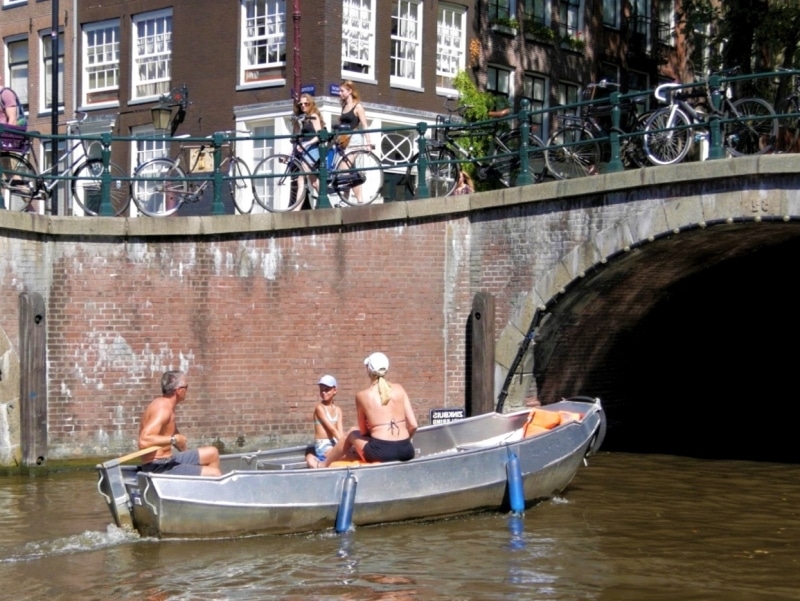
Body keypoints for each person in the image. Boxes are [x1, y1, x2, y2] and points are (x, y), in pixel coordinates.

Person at [311, 352, 418, 468]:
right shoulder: (400, 389)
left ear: (368, 370)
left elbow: (364, 432)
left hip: (381, 452)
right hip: (406, 450)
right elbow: (413, 425)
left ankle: (323, 464)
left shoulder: (362, 396)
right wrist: (400, 444)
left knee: (351, 433)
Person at [138, 370, 222, 476]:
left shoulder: (169, 406)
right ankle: (204, 488)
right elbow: (144, 440)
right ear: (179, 390)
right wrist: (173, 440)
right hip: (157, 466)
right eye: (186, 387)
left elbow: (178, 440)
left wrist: (185, 451)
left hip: (168, 459)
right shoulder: (162, 409)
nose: (187, 390)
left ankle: (199, 485)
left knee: (212, 453)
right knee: (214, 473)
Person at [337, 80, 372, 204]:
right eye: (339, 91)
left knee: (344, 167)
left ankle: (344, 199)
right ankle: (359, 200)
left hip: (355, 138)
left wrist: (368, 142)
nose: (339, 93)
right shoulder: (343, 107)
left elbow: (364, 125)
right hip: (344, 139)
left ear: (350, 91)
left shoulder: (358, 107)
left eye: (342, 91)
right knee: (351, 171)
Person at [304, 374, 345, 468]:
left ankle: (313, 460)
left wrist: (346, 445)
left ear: (335, 390)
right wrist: (344, 445)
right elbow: (332, 430)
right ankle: (317, 463)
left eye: (327, 390)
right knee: (343, 454)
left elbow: (340, 431)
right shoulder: (319, 408)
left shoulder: (338, 410)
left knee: (349, 452)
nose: (323, 392)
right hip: (323, 445)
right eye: (321, 390)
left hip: (334, 442)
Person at [294, 93, 325, 208]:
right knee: (314, 182)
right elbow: (300, 139)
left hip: (314, 149)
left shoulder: (314, 116)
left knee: (301, 178)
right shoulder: (304, 119)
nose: (303, 106)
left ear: (311, 104)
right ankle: (328, 204)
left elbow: (319, 135)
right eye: (301, 104)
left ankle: (296, 210)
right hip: (306, 151)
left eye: (306, 103)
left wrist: (307, 143)